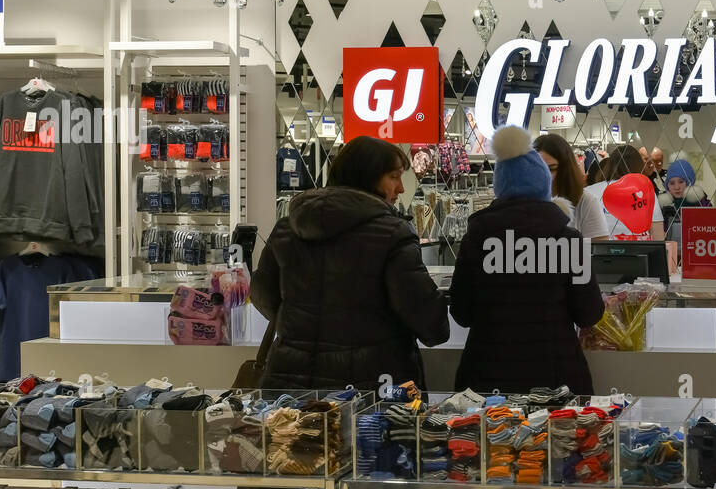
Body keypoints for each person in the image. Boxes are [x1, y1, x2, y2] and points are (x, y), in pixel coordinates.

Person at [251, 135, 449, 391]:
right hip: (373, 392)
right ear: (366, 177)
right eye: (393, 176)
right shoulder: (392, 234)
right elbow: (431, 324)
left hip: (292, 388)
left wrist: (303, 329)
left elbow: (261, 295)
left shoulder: (287, 229)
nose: (400, 188)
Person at [451, 126, 605, 393]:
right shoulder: (568, 240)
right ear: (543, 183)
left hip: (486, 377)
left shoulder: (476, 239)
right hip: (556, 377)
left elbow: (461, 313)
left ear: (499, 185)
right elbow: (589, 313)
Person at [534, 132, 610, 240]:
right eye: (539, 168)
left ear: (565, 168)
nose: (545, 175)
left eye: (552, 169)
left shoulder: (586, 201)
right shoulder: (522, 201)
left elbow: (599, 250)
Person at [583, 145, 666, 240]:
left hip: (595, 252)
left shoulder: (588, 192)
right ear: (639, 166)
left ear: (610, 165)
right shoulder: (644, 192)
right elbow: (658, 237)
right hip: (636, 252)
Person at [659, 157, 713, 238]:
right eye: (672, 183)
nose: (677, 187)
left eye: (681, 182)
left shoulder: (702, 204)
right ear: (667, 186)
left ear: (689, 182)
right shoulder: (663, 207)